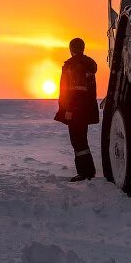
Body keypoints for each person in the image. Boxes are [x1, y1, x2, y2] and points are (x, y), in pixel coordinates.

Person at [54, 37, 99, 181]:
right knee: (81, 140)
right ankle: (88, 171)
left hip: (76, 111)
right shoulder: (87, 65)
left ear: (72, 48)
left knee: (78, 140)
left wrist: (69, 109)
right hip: (85, 110)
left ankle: (85, 172)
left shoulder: (74, 65)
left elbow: (75, 90)